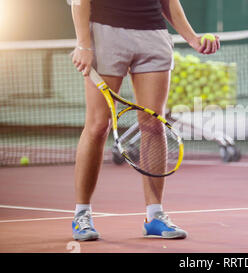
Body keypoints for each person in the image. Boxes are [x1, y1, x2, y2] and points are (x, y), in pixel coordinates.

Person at [70, 0, 220, 241]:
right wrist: (83, 44)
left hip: (153, 34)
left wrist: (192, 38)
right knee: (98, 125)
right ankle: (82, 214)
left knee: (153, 125)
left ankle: (155, 216)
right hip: (105, 33)